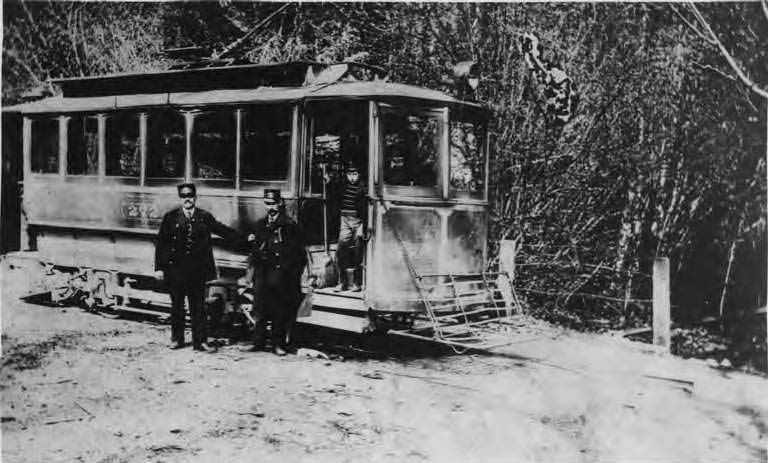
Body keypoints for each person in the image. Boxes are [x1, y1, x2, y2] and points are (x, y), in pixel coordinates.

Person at [154, 183, 238, 352]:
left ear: (195, 198)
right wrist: (159, 268)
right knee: (177, 306)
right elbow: (162, 244)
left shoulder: (204, 217)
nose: (187, 200)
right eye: (184, 197)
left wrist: (244, 238)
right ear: (181, 198)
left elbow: (222, 230)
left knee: (198, 307)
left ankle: (200, 342)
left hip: (197, 271)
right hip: (176, 270)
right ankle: (177, 339)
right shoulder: (170, 218)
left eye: (190, 196)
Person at [241, 189, 307, 355]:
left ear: (280, 203)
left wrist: (288, 273)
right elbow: (254, 251)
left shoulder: (289, 226)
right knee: (260, 308)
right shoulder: (260, 224)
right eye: (267, 203)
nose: (270, 207)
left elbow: (299, 255)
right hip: (262, 272)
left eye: (273, 203)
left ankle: (277, 344)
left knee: (279, 310)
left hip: (280, 273)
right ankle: (258, 342)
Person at [329, 161, 367, 292]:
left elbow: (366, 209)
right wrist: (328, 180)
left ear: (359, 175)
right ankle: (342, 282)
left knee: (358, 252)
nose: (352, 177)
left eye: (355, 174)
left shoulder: (364, 187)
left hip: (358, 220)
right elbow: (333, 193)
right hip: (344, 219)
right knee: (341, 249)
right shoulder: (343, 186)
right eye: (349, 174)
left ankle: (357, 283)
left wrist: (363, 225)